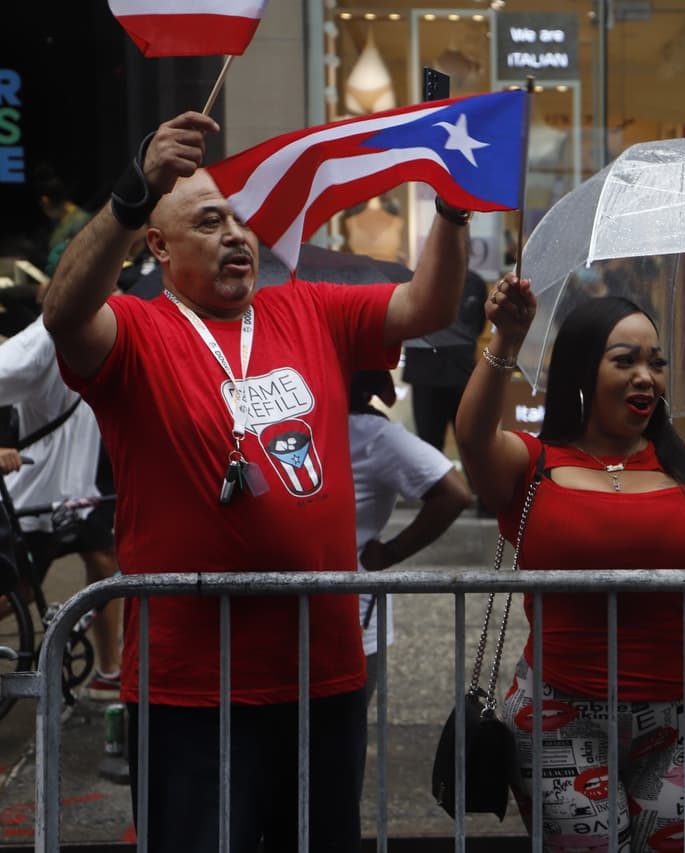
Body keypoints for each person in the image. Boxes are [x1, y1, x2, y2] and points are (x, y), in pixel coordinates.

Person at [41, 110, 470, 852]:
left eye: (240, 220)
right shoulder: (139, 331)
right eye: (209, 223)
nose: (237, 234)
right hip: (191, 687)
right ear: (159, 245)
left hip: (323, 674)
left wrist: (454, 208)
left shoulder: (305, 306)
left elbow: (423, 305)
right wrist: (130, 193)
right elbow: (62, 312)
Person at [455, 282, 685, 852]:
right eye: (624, 361)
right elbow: (472, 435)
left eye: (656, 362)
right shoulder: (532, 463)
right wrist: (507, 337)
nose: (646, 376)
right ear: (581, 370)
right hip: (560, 719)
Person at [347, 368, 471, 779]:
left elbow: (453, 493)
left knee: (329, 755)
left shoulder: (373, 434)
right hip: (282, 618)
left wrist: (390, 552)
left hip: (353, 621)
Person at [0, 313, 123, 701]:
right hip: (39, 493)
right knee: (16, 593)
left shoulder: (102, 331)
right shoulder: (41, 341)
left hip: (79, 491)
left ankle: (109, 672)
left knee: (105, 562)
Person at [402, 269, 487, 451]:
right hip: (426, 377)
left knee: (471, 446)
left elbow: (477, 327)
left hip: (459, 375)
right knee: (430, 449)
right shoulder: (414, 280)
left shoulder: (475, 283)